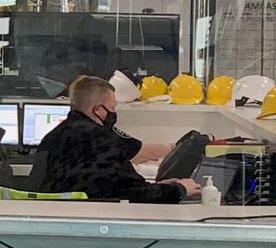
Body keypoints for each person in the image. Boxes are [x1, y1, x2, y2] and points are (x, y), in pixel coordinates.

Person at [28, 73, 196, 205]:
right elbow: (135, 194)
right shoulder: (101, 140)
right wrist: (179, 189)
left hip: (50, 217)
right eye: (113, 108)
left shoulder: (51, 137)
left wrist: (159, 187)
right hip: (89, 223)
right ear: (98, 110)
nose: (114, 113)